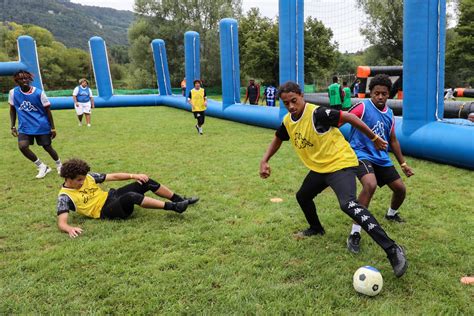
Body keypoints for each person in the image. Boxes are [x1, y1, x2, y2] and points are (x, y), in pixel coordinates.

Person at [259, 81, 408, 277]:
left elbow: (348, 117)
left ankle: (392, 249)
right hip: (320, 168)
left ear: (301, 96)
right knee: (303, 196)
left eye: (294, 100)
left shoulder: (317, 114)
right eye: (286, 103)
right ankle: (316, 228)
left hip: (340, 164)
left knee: (348, 205)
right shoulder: (289, 120)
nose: (291, 106)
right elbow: (278, 137)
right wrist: (265, 160)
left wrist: (373, 137)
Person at [346, 74, 414, 254]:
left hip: (381, 157)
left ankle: (391, 214)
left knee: (400, 189)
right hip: (360, 153)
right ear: (371, 93)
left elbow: (392, 140)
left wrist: (403, 164)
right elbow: (344, 117)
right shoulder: (362, 106)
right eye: (376, 93)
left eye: (384, 94)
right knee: (370, 185)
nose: (380, 97)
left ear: (388, 95)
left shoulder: (390, 114)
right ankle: (355, 233)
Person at [56, 158, 199, 238]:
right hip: (105, 211)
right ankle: (174, 208)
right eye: (79, 180)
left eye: (83, 178)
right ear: (68, 178)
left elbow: (113, 176)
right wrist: (69, 229)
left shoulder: (88, 176)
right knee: (131, 197)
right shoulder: (64, 197)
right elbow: (62, 222)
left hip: (112, 196)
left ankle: (179, 200)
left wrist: (133, 175)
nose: (82, 182)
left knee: (145, 181)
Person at [9, 70, 62, 179]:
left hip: (41, 125)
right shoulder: (13, 93)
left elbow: (48, 110)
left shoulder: (39, 93)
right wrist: (13, 126)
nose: (24, 80)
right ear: (16, 81)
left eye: (26, 78)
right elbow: (12, 109)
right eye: (21, 79)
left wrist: (53, 128)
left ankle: (59, 165)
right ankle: (42, 166)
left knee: (47, 147)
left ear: (30, 79)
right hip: (24, 127)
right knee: (23, 146)